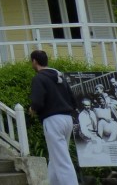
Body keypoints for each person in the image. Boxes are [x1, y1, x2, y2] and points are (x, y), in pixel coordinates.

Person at [29, 49, 77, 185]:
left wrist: (33, 109)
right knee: (56, 158)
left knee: (61, 159)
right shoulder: (59, 76)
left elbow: (37, 101)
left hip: (52, 120)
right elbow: (73, 100)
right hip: (67, 119)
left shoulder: (39, 78)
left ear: (34, 61)